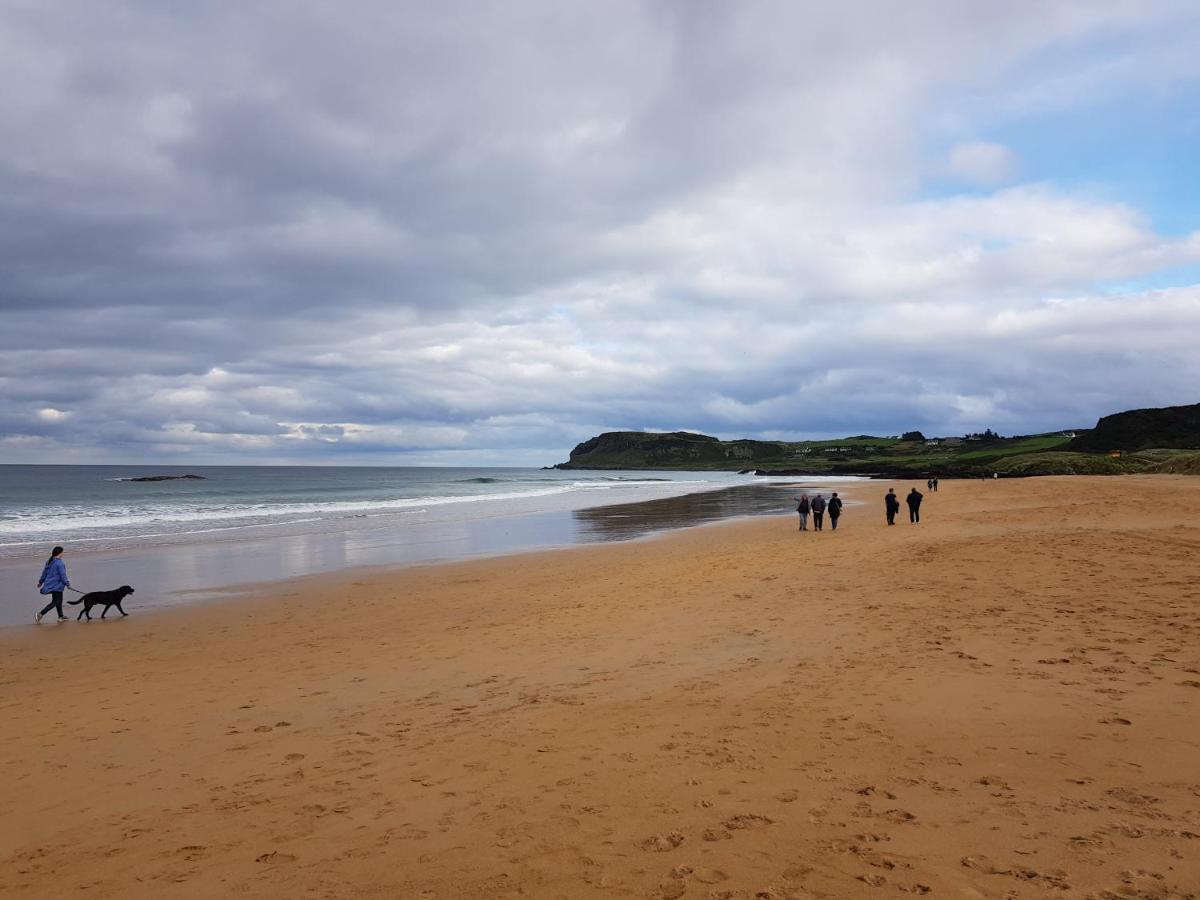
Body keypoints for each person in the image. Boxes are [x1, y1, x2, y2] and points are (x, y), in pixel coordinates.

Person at [36, 546, 71, 623]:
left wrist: (40, 582)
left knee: (59, 600)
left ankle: (61, 616)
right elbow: (63, 575)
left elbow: (44, 573)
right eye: (63, 552)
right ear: (60, 553)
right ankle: (40, 613)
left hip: (51, 585)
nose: (63, 554)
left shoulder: (49, 561)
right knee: (56, 602)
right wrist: (67, 583)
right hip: (57, 585)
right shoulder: (59, 563)